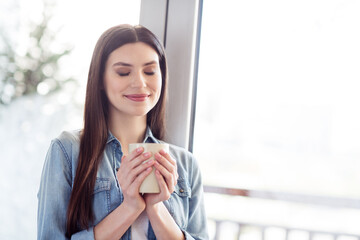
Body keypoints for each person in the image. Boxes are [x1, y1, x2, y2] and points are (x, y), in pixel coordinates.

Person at [37, 24, 209, 240]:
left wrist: (156, 208)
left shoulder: (186, 164)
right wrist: (129, 207)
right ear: (100, 79)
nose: (140, 82)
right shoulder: (67, 150)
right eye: (123, 72)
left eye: (149, 71)